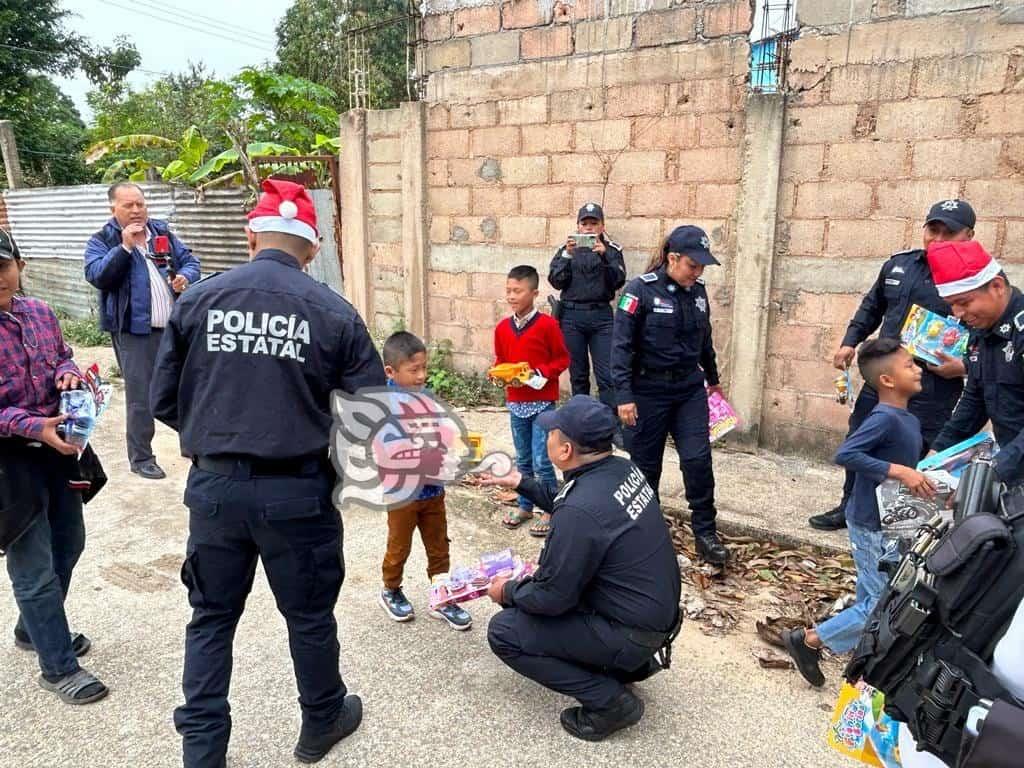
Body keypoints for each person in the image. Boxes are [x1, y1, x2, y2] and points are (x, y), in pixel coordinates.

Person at [150, 179, 386, 767]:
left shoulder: (198, 300)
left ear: (250, 234)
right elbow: (372, 417)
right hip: (297, 493)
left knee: (210, 619)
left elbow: (163, 401)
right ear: (313, 248)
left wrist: (221, 438)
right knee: (308, 616)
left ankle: (203, 754)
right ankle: (321, 719)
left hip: (214, 488)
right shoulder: (334, 313)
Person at [479, 395, 681, 742]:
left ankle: (610, 702)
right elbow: (572, 499)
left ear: (566, 450)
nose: (548, 437)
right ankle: (627, 665)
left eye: (552, 433)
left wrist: (506, 591)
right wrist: (519, 481)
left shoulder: (579, 513)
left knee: (506, 631)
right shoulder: (622, 470)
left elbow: (552, 597)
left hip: (630, 632)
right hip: (654, 620)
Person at [809, 199, 976, 532]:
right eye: (933, 229)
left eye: (950, 232)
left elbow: (988, 340)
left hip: (932, 388)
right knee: (862, 442)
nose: (938, 239)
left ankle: (910, 525)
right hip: (883, 383)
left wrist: (964, 367)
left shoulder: (976, 281)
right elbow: (872, 306)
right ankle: (850, 508)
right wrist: (849, 341)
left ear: (969, 236)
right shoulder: (900, 266)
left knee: (921, 454)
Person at [782, 338, 935, 686]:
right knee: (882, 603)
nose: (919, 369)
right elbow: (847, 454)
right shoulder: (883, 418)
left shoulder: (906, 419)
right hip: (870, 523)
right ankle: (809, 641)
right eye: (910, 364)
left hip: (892, 521)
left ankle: (864, 656)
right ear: (887, 380)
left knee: (874, 594)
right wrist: (900, 471)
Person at [0, 228, 109, 704]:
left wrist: (67, 371)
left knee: (71, 541)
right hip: (8, 461)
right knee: (34, 566)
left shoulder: (40, 312)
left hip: (57, 448)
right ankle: (58, 666)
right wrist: (33, 425)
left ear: (19, 265)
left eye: (2, 267)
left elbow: (61, 358)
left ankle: (34, 628)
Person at [610, 224, 728, 565]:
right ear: (672, 258)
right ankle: (647, 534)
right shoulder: (639, 291)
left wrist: (714, 381)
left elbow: (704, 340)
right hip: (647, 392)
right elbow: (620, 347)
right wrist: (624, 396)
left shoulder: (698, 291)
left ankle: (705, 531)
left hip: (689, 389)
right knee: (646, 467)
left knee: (697, 460)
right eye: (693, 265)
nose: (698, 272)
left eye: (702, 267)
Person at [84, 182, 201, 480]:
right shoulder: (103, 240)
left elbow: (190, 262)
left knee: (188, 388)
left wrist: (184, 277)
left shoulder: (161, 233)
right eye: (128, 205)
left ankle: (194, 445)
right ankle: (141, 458)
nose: (137, 210)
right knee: (141, 397)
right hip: (134, 333)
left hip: (174, 328)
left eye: (140, 204)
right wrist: (125, 247)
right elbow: (98, 276)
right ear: (113, 209)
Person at [377, 330, 472, 630]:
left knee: (438, 545)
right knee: (399, 546)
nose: (422, 376)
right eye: (414, 369)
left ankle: (442, 596)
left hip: (433, 489)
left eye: (424, 368)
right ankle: (391, 589)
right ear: (391, 371)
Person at [926, 239, 1024, 485]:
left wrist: (994, 474)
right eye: (952, 305)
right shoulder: (980, 330)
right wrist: (934, 459)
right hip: (1013, 464)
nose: (957, 313)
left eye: (964, 302)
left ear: (997, 286)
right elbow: (974, 400)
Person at [492, 264, 570, 537]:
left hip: (542, 403)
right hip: (516, 402)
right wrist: (500, 375)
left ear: (534, 293)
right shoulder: (502, 328)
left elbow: (562, 359)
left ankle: (549, 509)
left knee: (542, 459)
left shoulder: (548, 326)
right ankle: (525, 505)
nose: (512, 296)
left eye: (518, 291)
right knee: (523, 458)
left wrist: (540, 374)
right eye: (508, 291)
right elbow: (501, 360)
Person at [547, 202, 627, 416]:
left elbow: (618, 281)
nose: (589, 228)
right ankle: (581, 421)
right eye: (585, 223)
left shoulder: (612, 251)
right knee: (579, 374)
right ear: (578, 226)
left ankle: (610, 422)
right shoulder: (566, 251)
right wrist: (567, 256)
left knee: (607, 374)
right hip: (572, 317)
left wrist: (605, 256)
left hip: (602, 317)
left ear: (602, 226)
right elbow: (556, 281)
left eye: (594, 223)